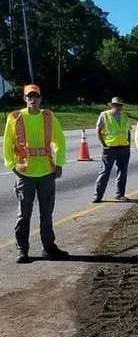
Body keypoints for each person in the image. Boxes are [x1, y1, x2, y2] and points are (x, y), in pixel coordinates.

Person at [3, 84, 69, 263]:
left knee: (46, 214)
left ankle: (48, 247)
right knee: (24, 214)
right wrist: (12, 167)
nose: (32, 99)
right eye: (29, 96)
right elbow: (8, 144)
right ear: (24, 98)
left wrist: (60, 164)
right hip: (25, 173)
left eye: (35, 96)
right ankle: (22, 249)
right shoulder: (15, 117)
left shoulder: (48, 116)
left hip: (47, 172)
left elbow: (60, 141)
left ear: (40, 98)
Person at [93, 96, 131, 202]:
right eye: (117, 105)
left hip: (123, 147)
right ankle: (98, 195)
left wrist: (128, 144)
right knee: (105, 171)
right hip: (110, 148)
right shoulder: (105, 115)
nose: (119, 107)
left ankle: (120, 194)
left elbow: (128, 131)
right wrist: (103, 144)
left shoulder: (124, 116)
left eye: (120, 105)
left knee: (122, 171)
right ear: (112, 105)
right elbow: (98, 129)